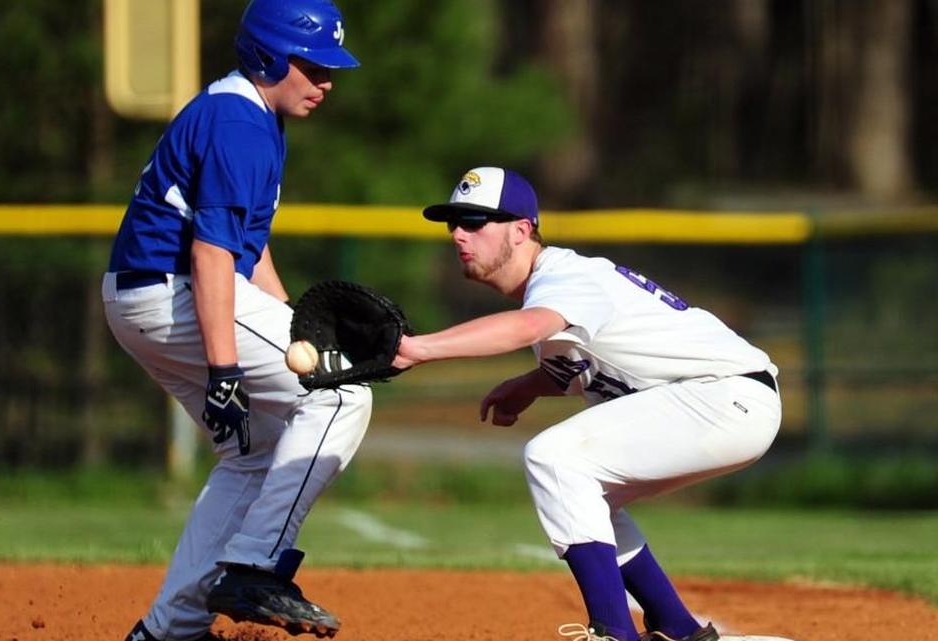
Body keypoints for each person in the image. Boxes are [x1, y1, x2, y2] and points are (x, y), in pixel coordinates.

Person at [393, 167, 782, 641]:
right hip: (726, 400)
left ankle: (614, 632)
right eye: (454, 223)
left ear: (521, 230)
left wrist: (420, 348)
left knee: (554, 458)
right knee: (589, 501)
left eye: (475, 222)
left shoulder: (564, 277)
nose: (458, 234)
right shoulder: (556, 285)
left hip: (724, 396)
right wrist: (528, 385)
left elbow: (528, 327)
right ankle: (676, 627)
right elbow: (586, 368)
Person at [102, 1, 372, 640]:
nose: (326, 82)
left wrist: (297, 327)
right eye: (312, 66)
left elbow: (250, 250)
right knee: (342, 397)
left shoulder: (252, 115)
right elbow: (211, 255)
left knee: (255, 451)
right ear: (268, 57)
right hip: (172, 291)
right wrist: (225, 368)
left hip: (149, 294)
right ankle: (255, 566)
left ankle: (169, 630)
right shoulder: (239, 122)